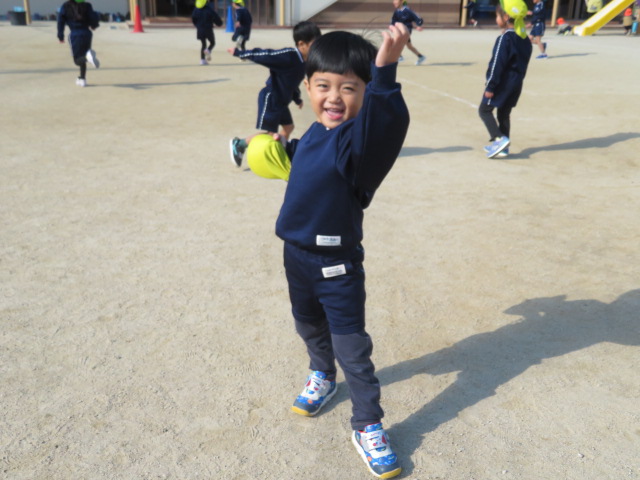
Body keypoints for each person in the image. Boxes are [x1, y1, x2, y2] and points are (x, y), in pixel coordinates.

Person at [270, 26, 410, 479]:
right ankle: (322, 375)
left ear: (365, 94)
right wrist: (276, 150)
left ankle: (367, 424)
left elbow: (386, 124)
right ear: (308, 86)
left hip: (337, 266)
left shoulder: (359, 145)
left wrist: (385, 73)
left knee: (353, 350)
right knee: (307, 324)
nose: (334, 97)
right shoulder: (315, 133)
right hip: (296, 257)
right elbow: (306, 161)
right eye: (323, 85)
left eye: (349, 88)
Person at [228, 21, 322, 167]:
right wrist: (240, 53)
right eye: (314, 45)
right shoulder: (289, 55)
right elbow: (266, 55)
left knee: (288, 127)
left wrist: (297, 98)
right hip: (271, 97)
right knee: (271, 134)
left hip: (282, 101)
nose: (316, 49)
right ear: (301, 44)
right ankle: (239, 144)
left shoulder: (304, 63)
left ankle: (279, 153)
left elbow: (292, 82)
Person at [479, 0, 532, 159]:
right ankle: (503, 149)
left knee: (484, 110)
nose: (496, 19)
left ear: (506, 16)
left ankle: (499, 139)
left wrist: (490, 86)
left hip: (503, 83)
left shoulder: (505, 38)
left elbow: (497, 64)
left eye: (497, 16)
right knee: (504, 113)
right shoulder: (524, 39)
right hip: (516, 82)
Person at [57, 0, 100, 87]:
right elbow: (93, 16)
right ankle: (82, 79)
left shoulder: (66, 6)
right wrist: (94, 25)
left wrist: (60, 36)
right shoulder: (87, 5)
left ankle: (88, 58)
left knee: (77, 60)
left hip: (75, 34)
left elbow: (60, 21)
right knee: (84, 55)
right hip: (87, 33)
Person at [390, 0, 426, 65]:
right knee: (409, 46)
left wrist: (419, 25)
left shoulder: (407, 10)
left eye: (396, 0)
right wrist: (392, 26)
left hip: (407, 30)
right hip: (400, 30)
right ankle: (421, 56)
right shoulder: (397, 11)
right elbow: (393, 21)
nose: (394, 2)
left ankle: (399, 57)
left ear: (401, 1)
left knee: (397, 41)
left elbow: (417, 18)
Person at [191, 0, 223, 65]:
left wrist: (197, 25)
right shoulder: (209, 9)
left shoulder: (196, 10)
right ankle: (208, 50)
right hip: (208, 29)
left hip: (200, 30)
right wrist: (219, 23)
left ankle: (202, 60)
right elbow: (215, 17)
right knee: (212, 42)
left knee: (203, 44)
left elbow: (194, 19)